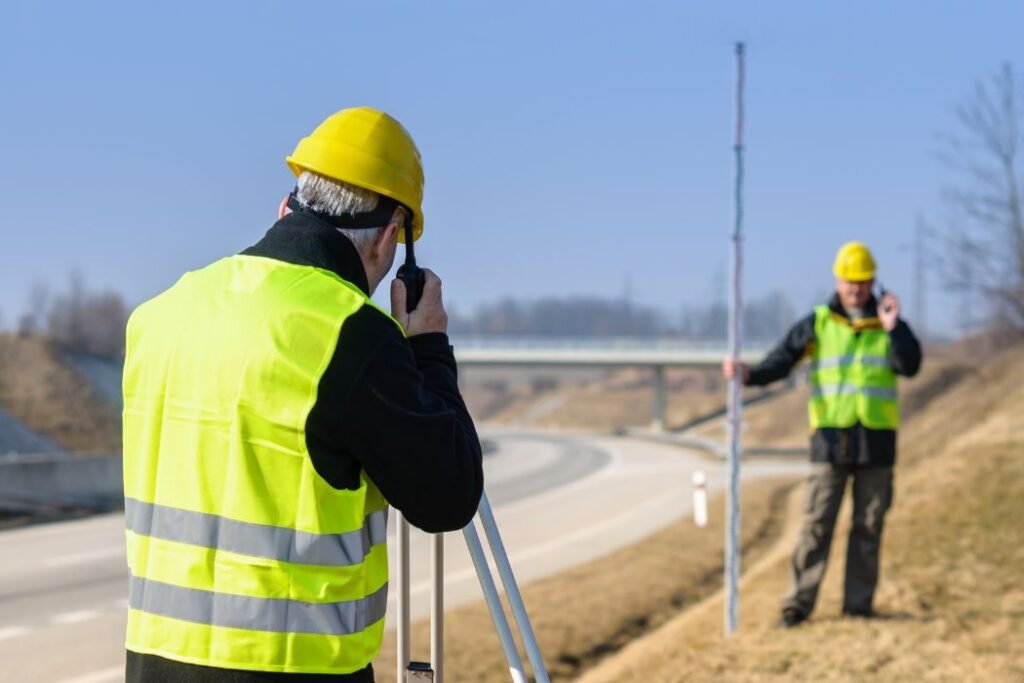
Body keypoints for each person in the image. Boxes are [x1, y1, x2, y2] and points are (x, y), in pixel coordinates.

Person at [122, 107, 484, 681]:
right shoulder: (350, 332)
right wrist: (429, 349)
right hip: (295, 668)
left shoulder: (160, 315)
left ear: (287, 204)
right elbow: (448, 495)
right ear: (392, 237)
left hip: (155, 662)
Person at [723, 241, 921, 628]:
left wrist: (894, 327)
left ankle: (858, 605)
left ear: (873, 282)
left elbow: (910, 365)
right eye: (850, 282)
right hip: (830, 441)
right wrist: (748, 375)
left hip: (877, 443)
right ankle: (797, 605)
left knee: (868, 525)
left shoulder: (889, 325)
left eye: (863, 282)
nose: (856, 290)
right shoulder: (818, 323)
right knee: (816, 524)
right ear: (838, 280)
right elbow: (781, 361)